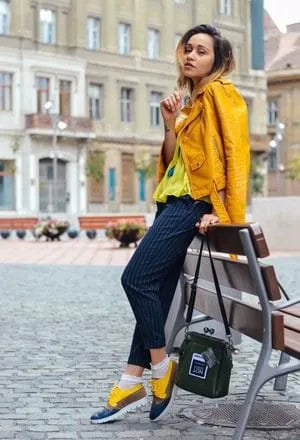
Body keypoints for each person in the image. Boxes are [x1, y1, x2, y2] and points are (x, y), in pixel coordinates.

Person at [90, 24, 250, 424]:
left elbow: (236, 156)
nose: (190, 56)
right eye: (188, 49)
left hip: (191, 205)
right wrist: (169, 125)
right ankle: (130, 380)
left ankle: (160, 370)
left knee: (135, 279)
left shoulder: (219, 93)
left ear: (219, 60)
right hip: (171, 202)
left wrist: (226, 215)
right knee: (156, 296)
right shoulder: (191, 103)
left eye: (201, 51)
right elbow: (174, 161)